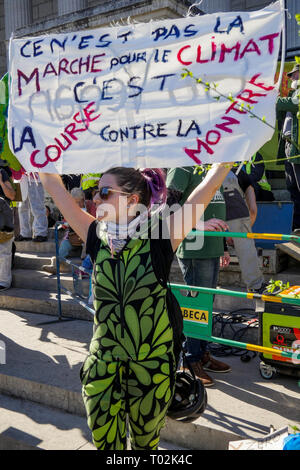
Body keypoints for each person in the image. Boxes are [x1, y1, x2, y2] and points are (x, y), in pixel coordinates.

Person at [39, 162, 233, 450]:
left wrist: (225, 159)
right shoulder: (93, 232)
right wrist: (39, 152)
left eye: (104, 192)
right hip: (103, 368)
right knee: (107, 446)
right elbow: (54, 185)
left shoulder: (161, 235)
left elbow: (206, 189)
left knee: (145, 446)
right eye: (95, 191)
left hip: (151, 368)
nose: (95, 199)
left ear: (132, 200)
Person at [166, 166, 231, 388]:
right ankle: (190, 359)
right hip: (195, 248)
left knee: (207, 305)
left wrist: (222, 246)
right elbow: (168, 207)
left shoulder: (212, 165)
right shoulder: (183, 165)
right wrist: (198, 224)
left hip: (212, 247)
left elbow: (215, 208)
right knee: (197, 307)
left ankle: (202, 353)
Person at [223, 169, 266, 294]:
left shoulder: (201, 168)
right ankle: (255, 286)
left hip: (209, 217)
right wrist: (246, 227)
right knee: (247, 251)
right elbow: (252, 209)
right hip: (238, 217)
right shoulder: (236, 169)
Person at [42, 187, 96, 274]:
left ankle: (84, 265)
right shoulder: (70, 208)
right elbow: (64, 223)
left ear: (84, 199)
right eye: (75, 202)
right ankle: (55, 266)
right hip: (73, 237)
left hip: (87, 237)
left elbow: (94, 220)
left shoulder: (90, 205)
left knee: (90, 241)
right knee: (63, 246)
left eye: (80, 202)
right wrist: (67, 222)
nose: (78, 204)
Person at [277, 64, 300, 230]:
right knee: (293, 189)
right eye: (290, 75)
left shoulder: (297, 96)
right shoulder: (293, 93)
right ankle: (297, 226)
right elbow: (280, 111)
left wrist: (274, 99)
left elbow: (292, 104)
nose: (291, 77)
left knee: (299, 188)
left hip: (296, 149)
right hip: (289, 147)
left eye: (294, 74)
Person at [15, 173, 48, 242]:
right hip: (20, 179)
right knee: (22, 208)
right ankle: (25, 233)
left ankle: (41, 233)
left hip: (35, 178)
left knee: (37, 206)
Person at [0, 165, 16, 291]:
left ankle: (4, 281)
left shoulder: (2, 172)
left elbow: (11, 195)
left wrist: (1, 182)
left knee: (4, 249)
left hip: (3, 211)